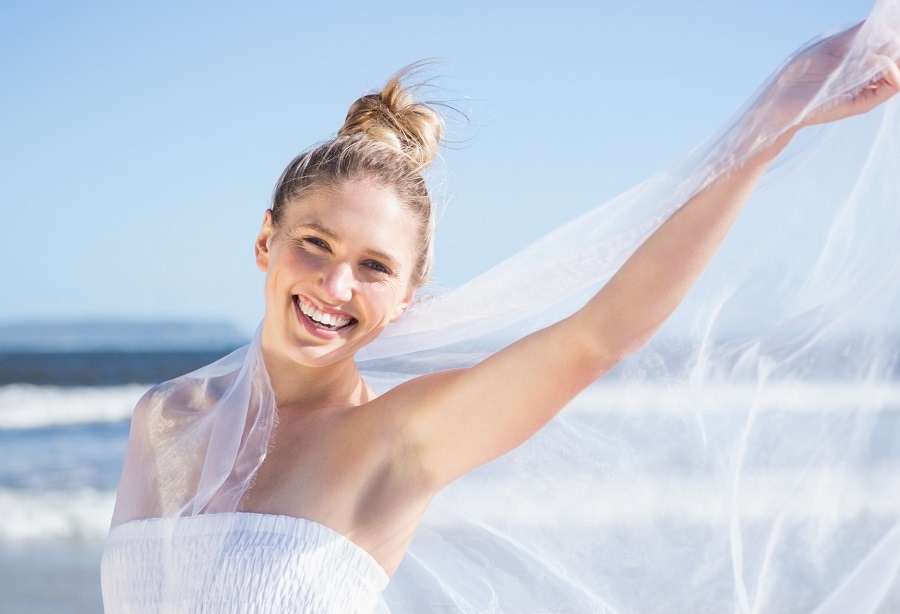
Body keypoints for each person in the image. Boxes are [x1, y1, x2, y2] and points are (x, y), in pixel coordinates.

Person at [102, 5, 900, 613]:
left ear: (406, 299)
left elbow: (601, 334)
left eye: (374, 267)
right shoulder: (163, 421)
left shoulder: (400, 439)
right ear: (265, 243)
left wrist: (766, 130)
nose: (336, 286)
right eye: (315, 243)